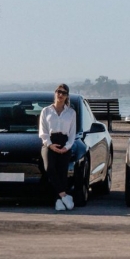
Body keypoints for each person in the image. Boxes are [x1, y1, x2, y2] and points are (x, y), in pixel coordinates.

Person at [39, 84, 77, 212]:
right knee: (49, 168)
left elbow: (72, 133)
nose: (60, 95)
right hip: (49, 142)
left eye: (64, 93)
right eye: (58, 92)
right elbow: (43, 131)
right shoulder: (46, 111)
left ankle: (58, 201)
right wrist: (50, 144)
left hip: (64, 143)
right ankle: (64, 196)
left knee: (62, 172)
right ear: (55, 93)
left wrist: (67, 147)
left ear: (67, 96)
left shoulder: (71, 113)